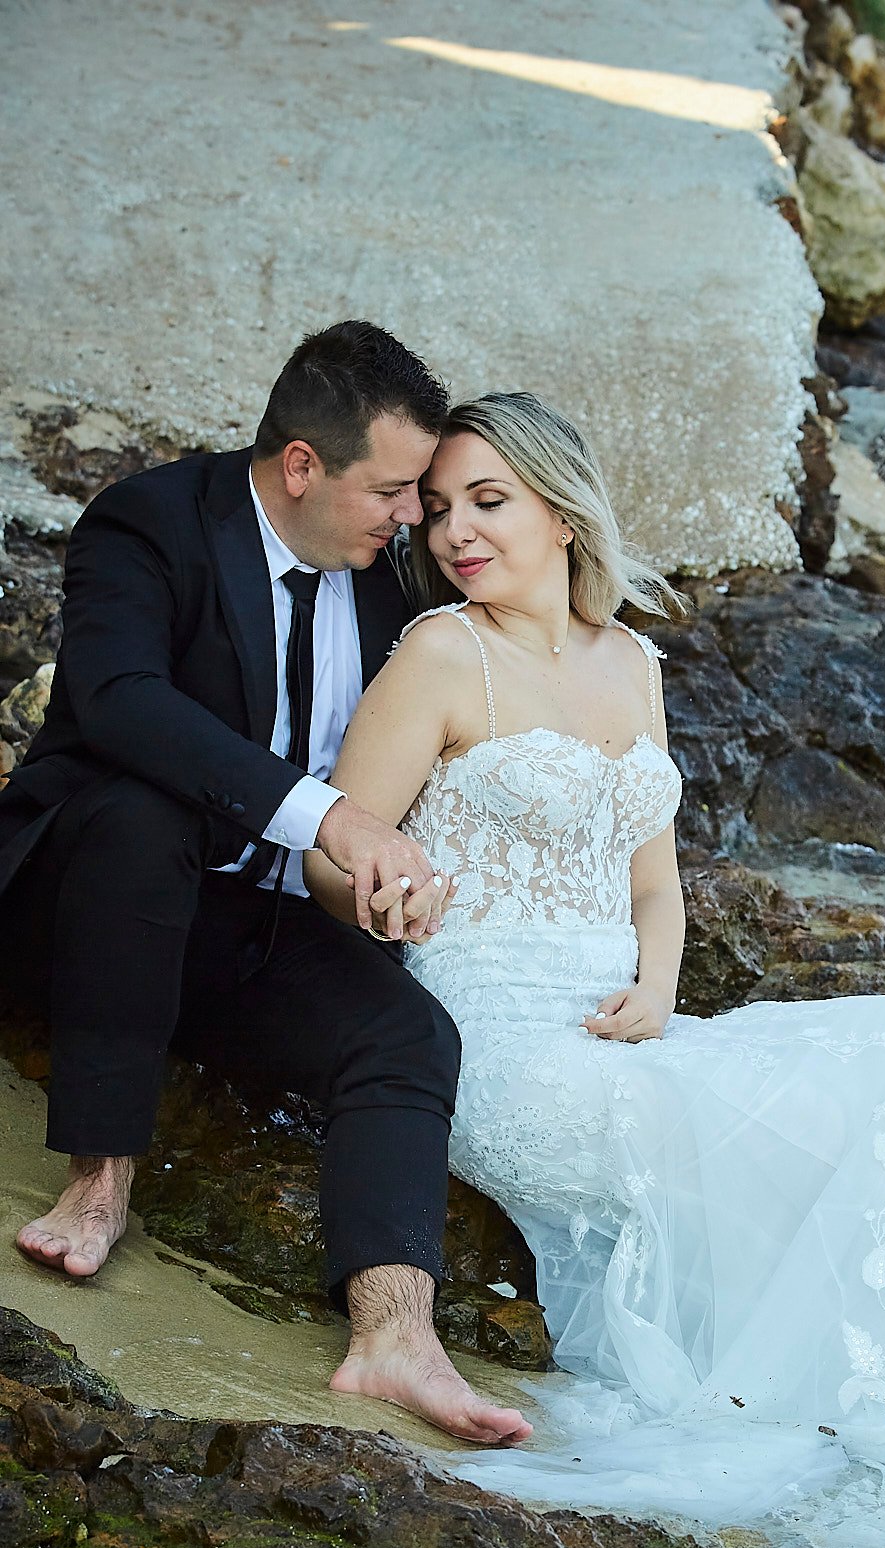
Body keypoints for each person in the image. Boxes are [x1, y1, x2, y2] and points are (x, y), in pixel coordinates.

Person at [305, 390, 885, 1530]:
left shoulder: (633, 663)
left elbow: (653, 884)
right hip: (506, 1051)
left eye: (488, 500)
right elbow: (333, 850)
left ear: (561, 514)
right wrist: (380, 896)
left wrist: (660, 989)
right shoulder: (439, 655)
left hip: (628, 1027)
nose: (455, 531)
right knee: (832, 1164)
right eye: (438, 512)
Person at [1, 321, 529, 1447]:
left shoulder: (390, 578)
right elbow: (121, 701)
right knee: (144, 816)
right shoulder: (152, 522)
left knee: (408, 1036)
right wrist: (331, 817)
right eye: (393, 490)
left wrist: (384, 881)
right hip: (84, 901)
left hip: (247, 919)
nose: (411, 521)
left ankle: (394, 1333)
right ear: (302, 465)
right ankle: (100, 1178)